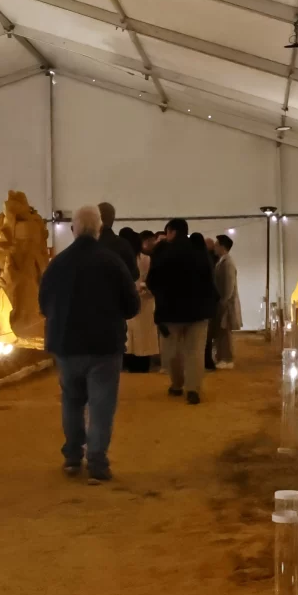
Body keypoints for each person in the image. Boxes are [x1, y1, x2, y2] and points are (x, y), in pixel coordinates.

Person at [39, 206, 139, 482]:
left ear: (74, 229)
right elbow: (132, 305)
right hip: (104, 346)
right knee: (101, 405)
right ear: (98, 229)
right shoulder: (112, 261)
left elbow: (43, 304)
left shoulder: (57, 264)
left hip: (66, 345)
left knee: (71, 401)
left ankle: (72, 457)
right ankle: (96, 463)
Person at [147, 219, 220, 404]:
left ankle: (177, 385)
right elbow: (210, 280)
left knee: (172, 352)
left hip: (170, 311)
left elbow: (152, 281)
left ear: (170, 231)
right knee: (195, 351)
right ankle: (193, 389)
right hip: (199, 311)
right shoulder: (199, 251)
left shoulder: (163, 252)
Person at [124, 232, 161, 373]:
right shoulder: (147, 259)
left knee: (131, 335)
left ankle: (131, 363)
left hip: (131, 299)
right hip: (144, 299)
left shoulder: (124, 259)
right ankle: (142, 364)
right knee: (143, 336)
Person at [209, 233, 242, 370]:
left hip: (226, 304)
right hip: (223, 302)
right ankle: (222, 356)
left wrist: (223, 302)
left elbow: (229, 285)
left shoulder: (227, 263)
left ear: (222, 246)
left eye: (216, 245)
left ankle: (227, 358)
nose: (214, 247)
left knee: (225, 333)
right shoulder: (222, 261)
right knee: (222, 332)